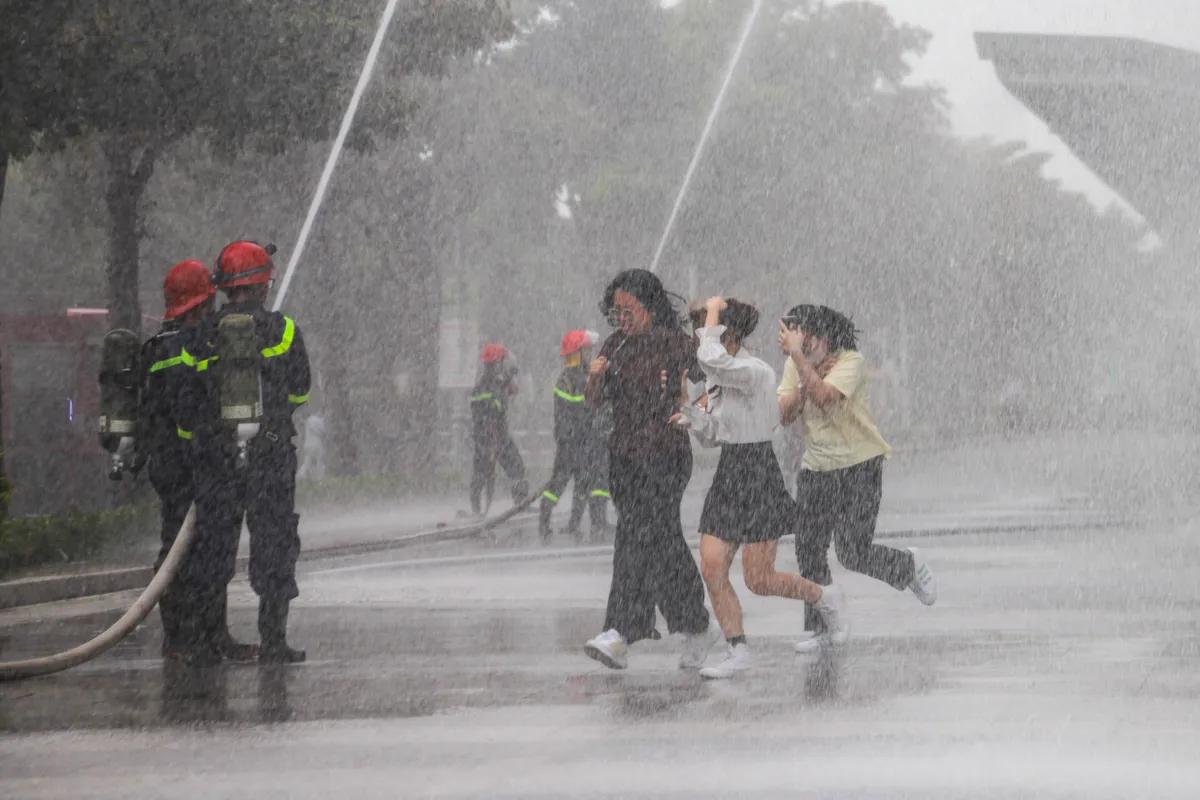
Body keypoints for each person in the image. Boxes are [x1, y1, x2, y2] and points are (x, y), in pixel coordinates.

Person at [673, 296, 846, 679]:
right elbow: (714, 436)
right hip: (729, 471)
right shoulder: (721, 380)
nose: (703, 337)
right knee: (713, 567)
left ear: (728, 333)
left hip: (758, 473)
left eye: (710, 328)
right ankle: (738, 649)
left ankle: (823, 596)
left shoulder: (755, 372)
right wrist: (690, 413)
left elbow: (713, 359)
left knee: (759, 580)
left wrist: (713, 312)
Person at [176, 241, 311, 665]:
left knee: (214, 548)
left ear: (224, 286)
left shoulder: (198, 337)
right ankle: (273, 641)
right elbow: (301, 390)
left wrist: (200, 446)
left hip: (215, 460)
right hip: (269, 457)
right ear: (264, 285)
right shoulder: (285, 330)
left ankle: (207, 642)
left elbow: (186, 407)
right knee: (275, 544)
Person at [777, 304, 936, 654]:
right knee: (808, 550)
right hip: (817, 469)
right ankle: (822, 627)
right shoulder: (796, 364)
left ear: (821, 336)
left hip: (859, 466)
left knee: (852, 552)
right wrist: (804, 372)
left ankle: (907, 566)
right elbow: (786, 414)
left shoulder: (851, 361)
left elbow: (825, 397)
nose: (799, 345)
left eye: (803, 336)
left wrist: (804, 370)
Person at [582, 269, 720, 671]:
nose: (622, 318)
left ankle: (621, 630)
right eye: (617, 312)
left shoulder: (676, 345)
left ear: (651, 307)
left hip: (665, 455)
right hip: (625, 457)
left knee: (636, 538)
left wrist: (697, 412)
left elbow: (708, 388)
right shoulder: (616, 346)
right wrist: (594, 377)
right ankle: (694, 623)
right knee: (658, 542)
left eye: (630, 310)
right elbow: (594, 400)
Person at [140, 260, 257, 662]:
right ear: (199, 304)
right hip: (193, 464)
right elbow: (189, 409)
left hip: (171, 464)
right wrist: (206, 454)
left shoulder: (158, 346)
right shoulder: (187, 346)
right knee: (197, 551)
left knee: (198, 548)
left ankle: (201, 637)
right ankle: (189, 639)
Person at [539, 330, 612, 543]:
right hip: (571, 444)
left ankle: (581, 523)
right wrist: (573, 438)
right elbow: (571, 413)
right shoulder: (571, 380)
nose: (590, 353)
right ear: (577, 353)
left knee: (584, 482)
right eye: (586, 350)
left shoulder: (583, 377)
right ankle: (545, 522)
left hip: (584, 441)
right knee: (559, 484)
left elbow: (597, 407)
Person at [469, 343, 530, 515]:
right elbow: (488, 414)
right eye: (502, 362)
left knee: (516, 467)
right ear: (496, 364)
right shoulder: (486, 388)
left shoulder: (494, 384)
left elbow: (503, 396)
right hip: (488, 437)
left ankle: (520, 502)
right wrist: (490, 443)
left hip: (497, 436)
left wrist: (507, 386)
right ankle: (477, 510)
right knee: (482, 474)